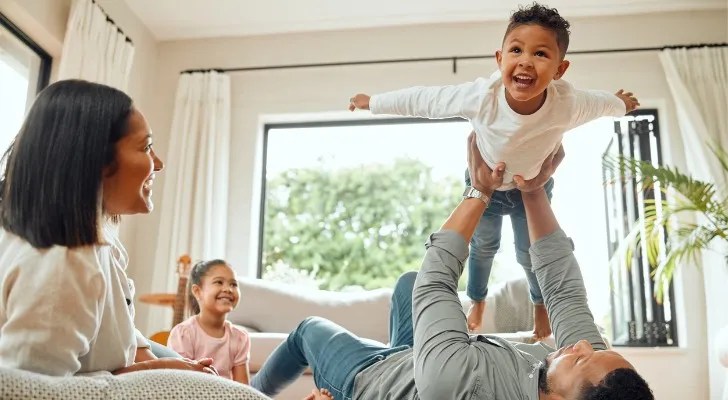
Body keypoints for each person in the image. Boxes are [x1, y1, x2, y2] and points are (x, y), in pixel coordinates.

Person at [251, 132, 654, 399]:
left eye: (582, 358)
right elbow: (563, 290)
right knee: (406, 284)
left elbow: (436, 282)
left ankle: (247, 392)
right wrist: (533, 192)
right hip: (417, 362)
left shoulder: (460, 387)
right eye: (596, 349)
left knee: (308, 330)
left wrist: (479, 191)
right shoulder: (590, 371)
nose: (583, 346)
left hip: (370, 381)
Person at [348, 2, 640, 337]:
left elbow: (601, 103)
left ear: (560, 69)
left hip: (532, 187)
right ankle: (478, 299)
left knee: (529, 253)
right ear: (500, 59)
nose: (526, 61)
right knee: (483, 247)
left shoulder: (567, 104)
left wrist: (620, 105)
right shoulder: (480, 97)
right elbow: (424, 100)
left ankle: (540, 304)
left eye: (541, 54)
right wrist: (373, 102)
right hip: (486, 184)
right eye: (516, 50)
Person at [0, 79, 217, 377]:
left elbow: (119, 330)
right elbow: (31, 390)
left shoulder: (95, 236)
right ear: (96, 160)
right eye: (146, 147)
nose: (159, 163)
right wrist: (162, 382)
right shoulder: (63, 264)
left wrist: (157, 366)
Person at [167, 259, 252, 384]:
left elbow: (244, 389)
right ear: (197, 291)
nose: (228, 289)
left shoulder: (240, 337)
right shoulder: (183, 333)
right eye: (219, 282)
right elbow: (180, 383)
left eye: (233, 284)